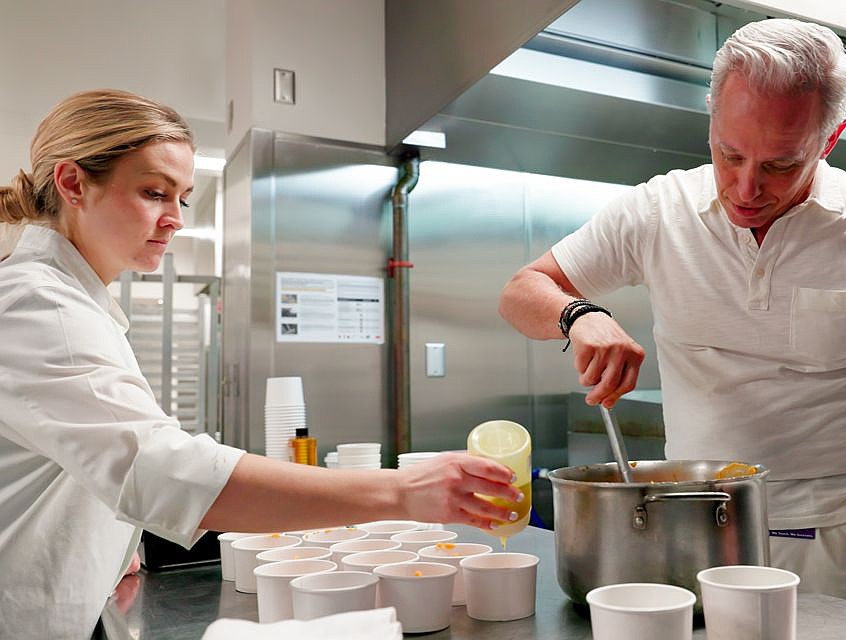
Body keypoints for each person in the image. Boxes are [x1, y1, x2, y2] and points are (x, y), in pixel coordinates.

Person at [0, 89, 523, 639]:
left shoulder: (74, 300)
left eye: (183, 197)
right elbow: (158, 470)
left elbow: (88, 458)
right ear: (73, 183)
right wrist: (402, 492)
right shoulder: (39, 305)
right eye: (155, 193)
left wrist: (111, 544)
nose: (175, 218)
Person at [499, 18, 846, 611]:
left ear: (831, 138)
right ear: (711, 119)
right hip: (689, 529)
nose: (745, 187)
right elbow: (522, 289)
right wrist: (577, 314)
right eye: (729, 153)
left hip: (835, 536)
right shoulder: (657, 210)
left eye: (780, 165)